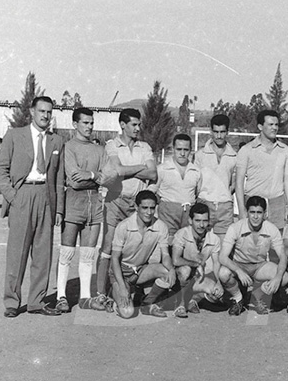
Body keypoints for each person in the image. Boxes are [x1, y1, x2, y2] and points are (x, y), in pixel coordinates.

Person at [0, 96, 65, 317]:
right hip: (22, 194)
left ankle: (36, 301)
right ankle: (12, 302)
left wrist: (59, 209)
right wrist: (13, 197)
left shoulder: (57, 141)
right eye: (41, 111)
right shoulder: (15, 136)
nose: (45, 115)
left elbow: (60, 177)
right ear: (32, 112)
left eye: (49, 112)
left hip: (46, 196)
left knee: (43, 254)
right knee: (17, 253)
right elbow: (0, 170)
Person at [93, 108, 157, 311]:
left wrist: (129, 171)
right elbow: (117, 170)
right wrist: (141, 168)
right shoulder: (112, 145)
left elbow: (153, 173)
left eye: (139, 125)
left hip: (135, 205)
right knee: (108, 248)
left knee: (135, 248)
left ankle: (127, 289)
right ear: (122, 125)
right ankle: (100, 294)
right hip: (115, 201)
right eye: (134, 125)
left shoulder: (144, 146)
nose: (138, 128)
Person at [54, 108, 109, 313]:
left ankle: (85, 297)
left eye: (91, 123)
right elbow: (74, 180)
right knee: (67, 252)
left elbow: (107, 177)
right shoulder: (68, 147)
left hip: (95, 204)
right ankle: (61, 296)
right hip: (73, 203)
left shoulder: (100, 150)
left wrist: (91, 175)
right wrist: (95, 176)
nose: (89, 127)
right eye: (85, 123)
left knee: (88, 253)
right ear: (75, 124)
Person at [110, 190, 175, 318]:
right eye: (144, 208)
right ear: (136, 207)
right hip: (122, 272)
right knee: (128, 313)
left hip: (140, 270)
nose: (149, 212)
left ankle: (147, 302)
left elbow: (165, 255)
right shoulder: (124, 226)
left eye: (152, 208)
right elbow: (115, 258)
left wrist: (172, 269)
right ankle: (114, 292)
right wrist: (122, 287)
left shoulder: (161, 226)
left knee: (167, 273)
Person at [219, 195, 288, 315]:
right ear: (247, 212)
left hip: (259, 266)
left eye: (259, 213)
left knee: (284, 278)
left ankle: (256, 295)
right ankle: (238, 298)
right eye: (252, 212)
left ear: (265, 214)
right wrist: (238, 271)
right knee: (223, 273)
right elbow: (222, 257)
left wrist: (277, 278)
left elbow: (283, 256)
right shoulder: (235, 228)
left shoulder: (271, 229)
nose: (255, 216)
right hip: (239, 265)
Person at [235, 110, 288, 229]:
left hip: (277, 204)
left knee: (275, 244)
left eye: (276, 125)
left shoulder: (284, 150)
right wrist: (242, 210)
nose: (274, 128)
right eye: (270, 124)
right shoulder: (246, 150)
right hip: (253, 204)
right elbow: (239, 182)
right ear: (260, 126)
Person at [171, 202, 225, 317]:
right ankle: (180, 303)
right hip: (179, 278)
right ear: (190, 220)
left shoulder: (213, 239)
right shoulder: (182, 234)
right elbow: (175, 260)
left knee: (216, 294)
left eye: (205, 221)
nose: (201, 225)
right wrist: (196, 264)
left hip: (197, 279)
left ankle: (193, 299)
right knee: (185, 270)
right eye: (197, 220)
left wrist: (219, 283)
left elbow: (216, 263)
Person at [152, 133, 202, 242]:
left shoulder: (196, 171)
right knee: (168, 243)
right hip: (168, 213)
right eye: (179, 149)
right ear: (173, 149)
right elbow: (151, 192)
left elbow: (197, 193)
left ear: (191, 150)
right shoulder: (162, 169)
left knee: (186, 244)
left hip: (188, 214)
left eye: (186, 149)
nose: (182, 153)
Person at [196, 114, 238, 237]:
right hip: (204, 204)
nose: (219, 136)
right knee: (202, 244)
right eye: (216, 132)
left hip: (225, 207)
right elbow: (195, 181)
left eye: (222, 132)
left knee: (224, 246)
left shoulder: (234, 156)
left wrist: (224, 194)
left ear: (227, 132)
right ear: (211, 132)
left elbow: (234, 183)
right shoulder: (200, 155)